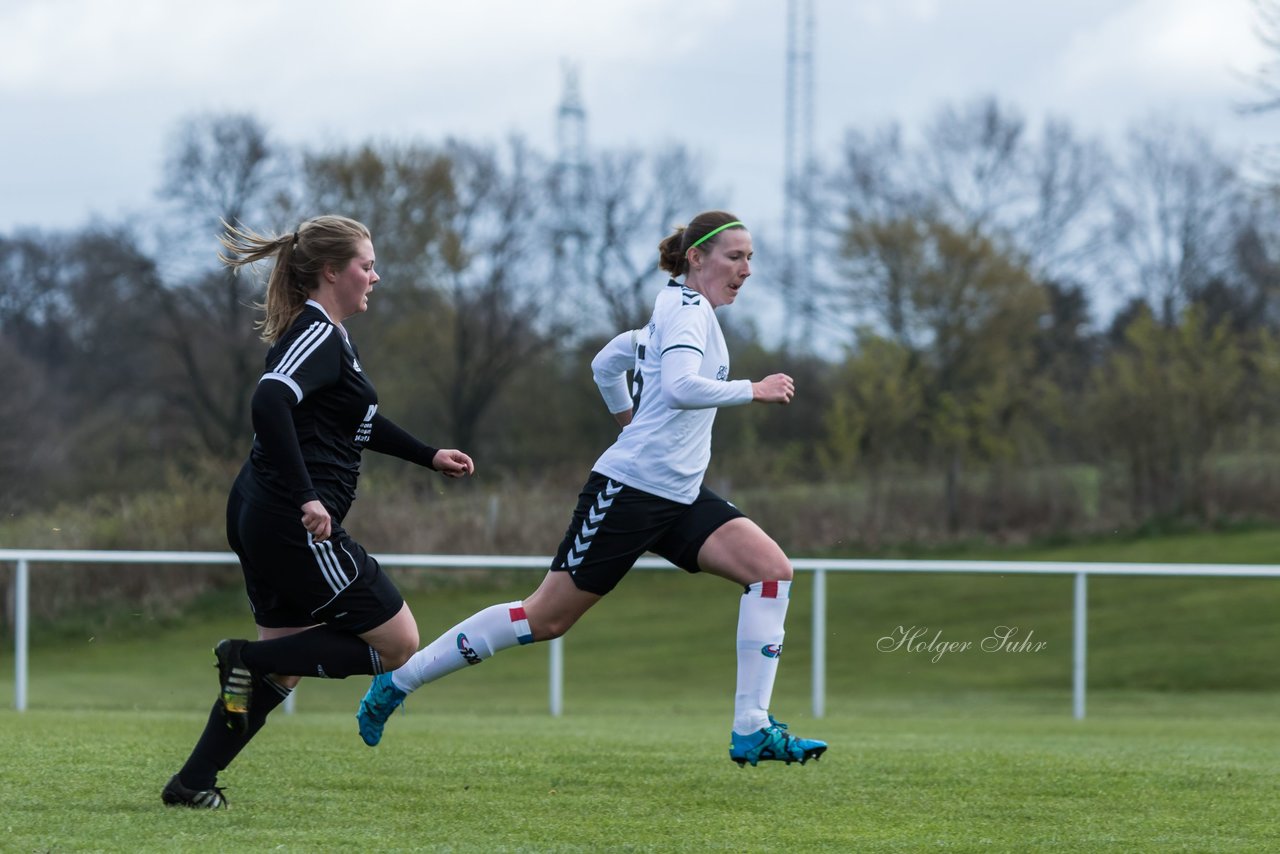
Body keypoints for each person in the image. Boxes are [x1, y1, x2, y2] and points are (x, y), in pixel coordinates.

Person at [355, 210, 826, 768]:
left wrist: (628, 419)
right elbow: (677, 387)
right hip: (629, 491)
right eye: (735, 256)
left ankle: (751, 729)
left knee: (771, 571)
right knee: (544, 618)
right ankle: (399, 682)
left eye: (750, 258)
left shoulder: (678, 310)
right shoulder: (687, 310)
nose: (746, 269)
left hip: (680, 494)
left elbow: (608, 362)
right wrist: (754, 389)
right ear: (696, 258)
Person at [162, 215, 475, 809]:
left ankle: (192, 783)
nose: (375, 277)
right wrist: (308, 496)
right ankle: (241, 657)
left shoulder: (332, 338)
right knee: (397, 643)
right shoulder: (317, 333)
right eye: (366, 265)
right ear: (331, 272)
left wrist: (428, 455)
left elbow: (356, 423)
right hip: (289, 518)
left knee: (283, 668)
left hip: (262, 513)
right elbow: (269, 398)